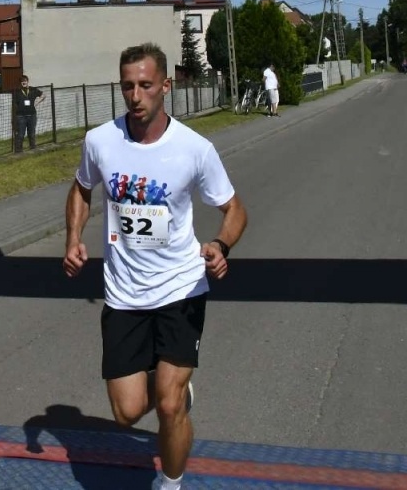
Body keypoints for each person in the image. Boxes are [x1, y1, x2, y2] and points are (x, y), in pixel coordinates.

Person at [63, 43, 247, 490]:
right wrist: (73, 238)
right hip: (124, 292)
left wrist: (221, 244)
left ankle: (171, 481)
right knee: (127, 413)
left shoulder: (194, 148)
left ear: (166, 86)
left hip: (181, 287)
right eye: (127, 85)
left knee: (167, 407)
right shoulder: (100, 141)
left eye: (145, 85)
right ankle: (174, 388)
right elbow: (81, 189)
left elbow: (235, 209)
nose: (135, 95)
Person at [13, 75, 44, 152]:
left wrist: (37, 102)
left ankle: (32, 148)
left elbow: (43, 95)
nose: (24, 82)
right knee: (20, 134)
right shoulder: (17, 92)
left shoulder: (33, 89)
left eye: (25, 81)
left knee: (32, 133)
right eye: (22, 81)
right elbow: (14, 104)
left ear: (27, 81)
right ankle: (18, 150)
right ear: (20, 83)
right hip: (21, 116)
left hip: (32, 115)